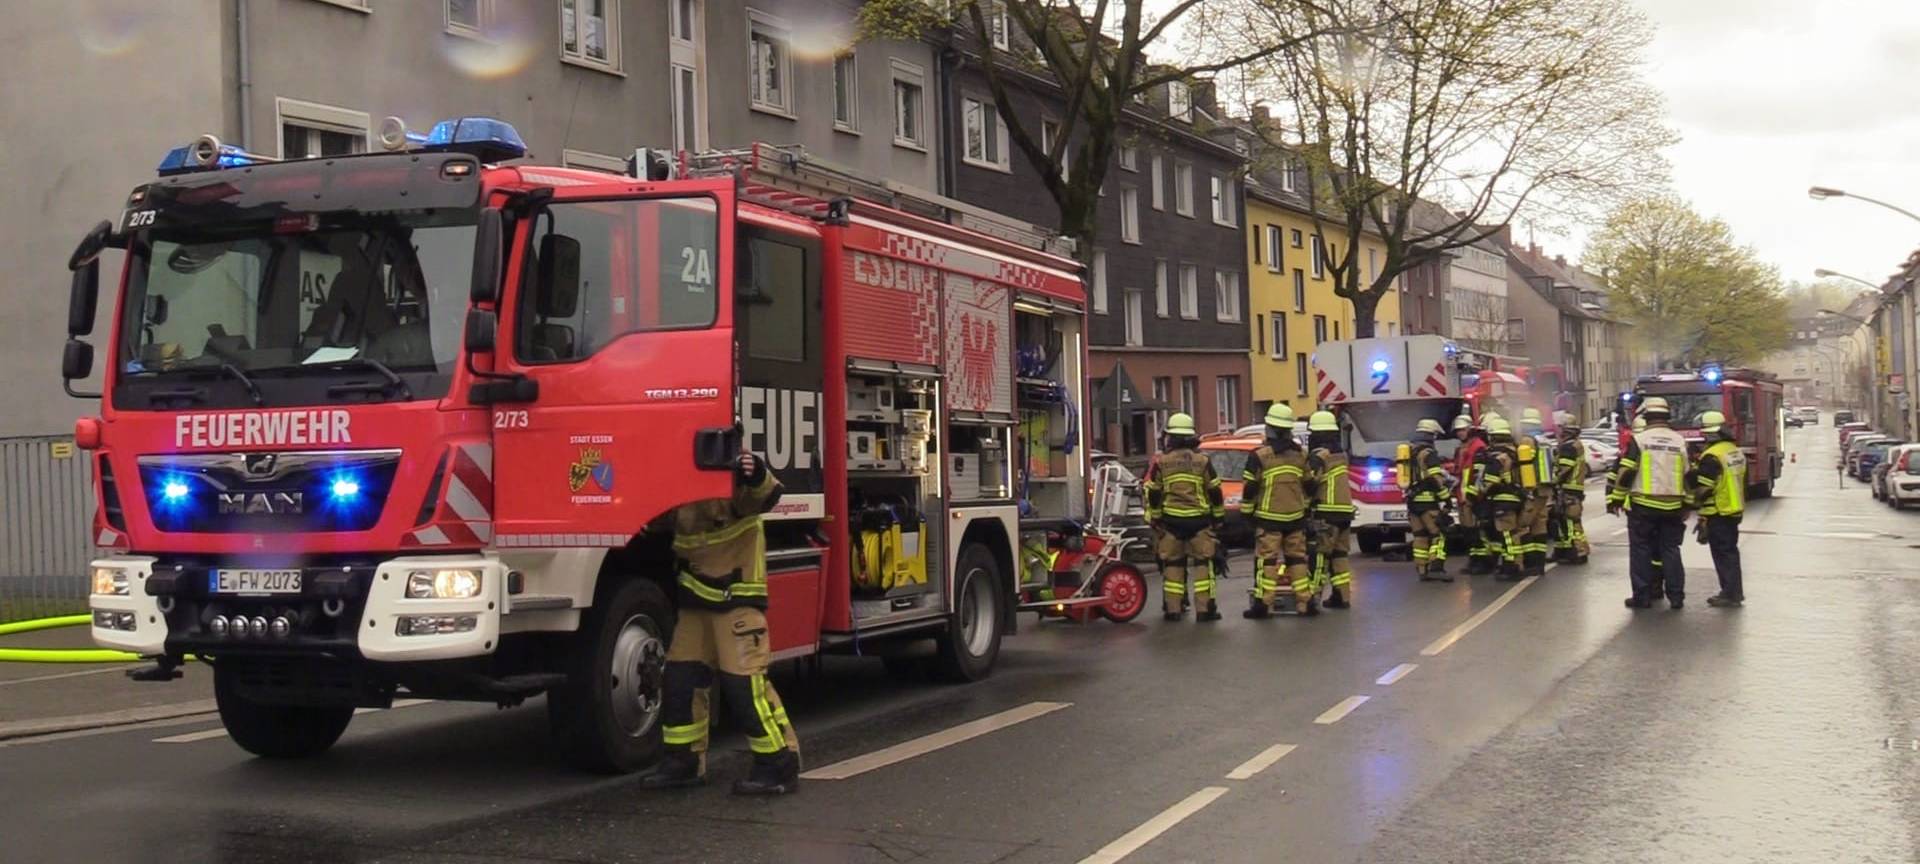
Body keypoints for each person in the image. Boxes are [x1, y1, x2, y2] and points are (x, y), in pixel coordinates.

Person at [644, 450, 801, 796]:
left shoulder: (734, 475)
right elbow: (657, 519)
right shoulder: (679, 479)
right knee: (681, 682)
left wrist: (755, 472)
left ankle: (778, 762)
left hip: (736, 601)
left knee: (746, 688)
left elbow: (766, 495)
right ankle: (683, 760)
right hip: (696, 602)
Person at [1145, 412, 1226, 622]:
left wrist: (1156, 517)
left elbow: (1154, 492)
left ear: (1171, 437)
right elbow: (1215, 492)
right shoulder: (1202, 461)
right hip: (1199, 521)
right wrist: (1218, 518)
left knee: (1173, 566)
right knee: (1203, 565)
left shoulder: (1162, 462)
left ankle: (1173, 609)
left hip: (1171, 522)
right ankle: (1205, 610)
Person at [1611, 397, 1690, 609]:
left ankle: (1642, 597)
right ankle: (1676, 597)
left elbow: (1627, 470)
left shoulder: (1640, 440)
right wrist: (1688, 504)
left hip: (1643, 505)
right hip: (1673, 506)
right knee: (1671, 550)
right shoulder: (1679, 441)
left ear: (1646, 417)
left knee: (1641, 551)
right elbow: (1689, 475)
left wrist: (1617, 497)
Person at [1242, 404, 1315, 617]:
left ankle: (1264, 605)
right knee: (1297, 559)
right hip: (1295, 517)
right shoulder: (1301, 455)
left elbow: (1250, 488)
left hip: (1268, 518)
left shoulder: (1259, 456)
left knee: (1268, 561)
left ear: (1270, 429)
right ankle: (1305, 602)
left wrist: (1247, 513)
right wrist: (1306, 509)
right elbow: (1310, 485)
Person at [1692, 410, 1747, 607]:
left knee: (1723, 554)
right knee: (1730, 553)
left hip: (1718, 511)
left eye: (1705, 434)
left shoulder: (1712, 456)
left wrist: (1692, 502)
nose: (1703, 437)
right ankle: (1734, 591)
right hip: (1733, 509)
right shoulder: (1733, 451)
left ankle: (1729, 593)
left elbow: (1705, 488)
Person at [1306, 410, 1358, 608]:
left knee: (1319, 554)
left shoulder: (1319, 456)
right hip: (1345, 511)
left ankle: (1313, 596)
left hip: (1326, 512)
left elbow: (1310, 482)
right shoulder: (1341, 454)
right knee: (1339, 555)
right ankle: (1341, 596)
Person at [1477, 416, 1526, 580]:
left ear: (1492, 436)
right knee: (1512, 533)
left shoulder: (1496, 457)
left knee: (1507, 534)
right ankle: (1513, 563)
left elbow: (1490, 482)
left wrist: (1480, 493)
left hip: (1503, 500)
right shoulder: (1514, 452)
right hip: (1516, 497)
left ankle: (1512, 567)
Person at [1406, 418, 1452, 582]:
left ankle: (1422, 569)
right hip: (1428, 502)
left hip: (1412, 502)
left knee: (1419, 536)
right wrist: (1446, 498)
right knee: (1438, 534)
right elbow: (1436, 478)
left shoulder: (1409, 452)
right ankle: (1436, 567)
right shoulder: (1429, 453)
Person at [1515, 408, 1553, 577]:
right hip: (1544, 489)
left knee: (1523, 524)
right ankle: (1539, 563)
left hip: (1532, 488)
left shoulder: (1527, 440)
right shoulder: (1544, 439)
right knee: (1539, 524)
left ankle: (1530, 563)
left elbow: (1524, 463)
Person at [1454, 414, 1494, 575]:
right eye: (1457, 431)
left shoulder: (1478, 446)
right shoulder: (1461, 448)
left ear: (1470, 429)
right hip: (1462, 495)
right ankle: (1474, 559)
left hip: (1474, 496)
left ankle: (1484, 561)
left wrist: (1474, 495)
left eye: (1462, 430)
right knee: (1468, 530)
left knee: (1477, 530)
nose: (1460, 433)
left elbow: (1479, 473)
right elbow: (1460, 472)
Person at [1551, 411, 1590, 564]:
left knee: (1571, 522)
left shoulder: (1568, 447)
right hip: (1572, 489)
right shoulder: (1574, 444)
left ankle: (1579, 553)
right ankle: (1564, 551)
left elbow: (1564, 469)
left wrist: (1553, 481)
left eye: (1560, 428)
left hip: (1569, 489)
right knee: (1563, 520)